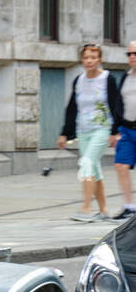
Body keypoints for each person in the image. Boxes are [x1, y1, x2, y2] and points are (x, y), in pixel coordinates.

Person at [58, 42, 122, 221]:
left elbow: (116, 105)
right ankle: (104, 211)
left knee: (86, 162)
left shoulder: (107, 79)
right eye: (86, 57)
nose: (89, 61)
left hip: (102, 129)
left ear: (99, 59)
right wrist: (65, 133)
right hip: (83, 130)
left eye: (93, 57)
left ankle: (86, 209)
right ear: (82, 60)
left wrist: (115, 132)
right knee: (94, 168)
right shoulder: (78, 80)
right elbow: (72, 108)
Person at [114, 40, 136, 216]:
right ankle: (129, 207)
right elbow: (118, 104)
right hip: (127, 129)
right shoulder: (125, 77)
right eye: (129, 54)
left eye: (135, 53)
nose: (132, 57)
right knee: (121, 165)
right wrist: (115, 130)